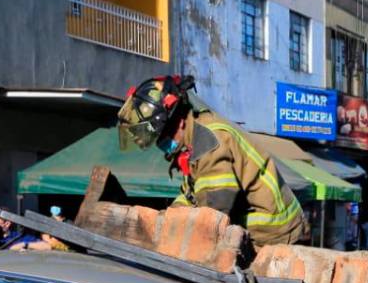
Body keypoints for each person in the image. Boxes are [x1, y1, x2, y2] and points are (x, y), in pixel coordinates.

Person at [117, 75, 305, 246]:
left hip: (275, 227)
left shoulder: (208, 142)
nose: (161, 144)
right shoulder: (191, 143)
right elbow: (191, 197)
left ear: (179, 122)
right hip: (264, 224)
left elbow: (213, 210)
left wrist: (173, 232)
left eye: (162, 137)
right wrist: (166, 218)